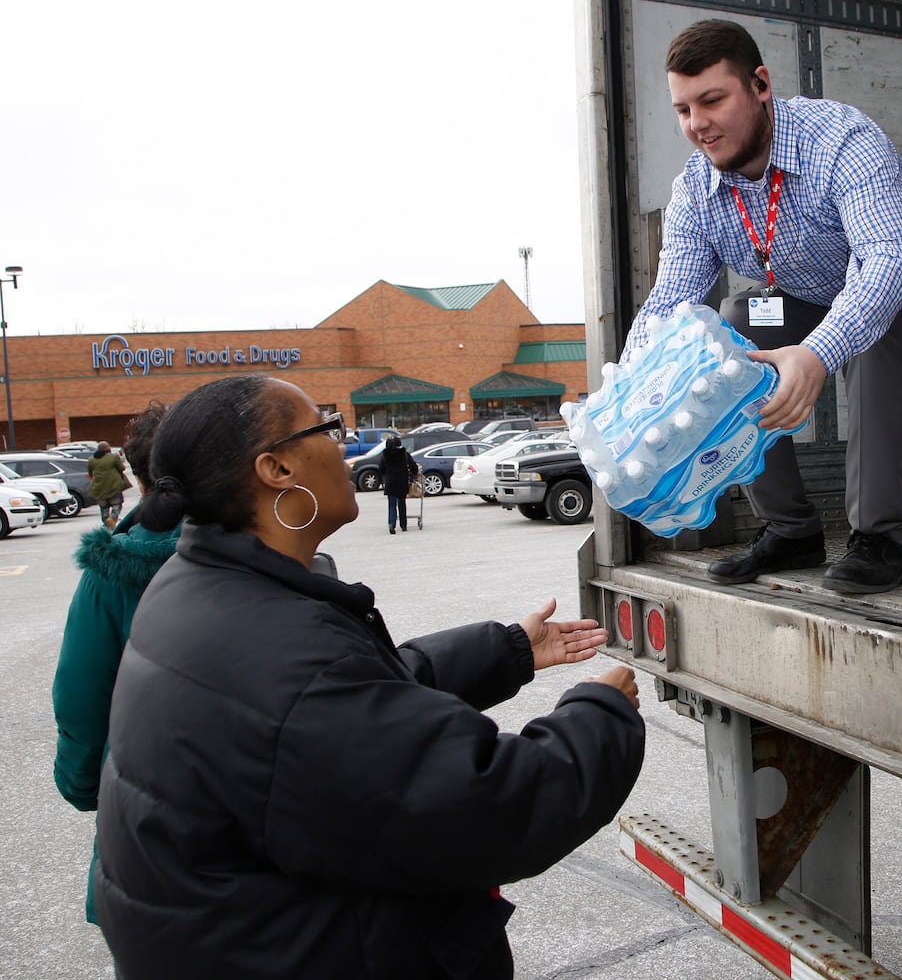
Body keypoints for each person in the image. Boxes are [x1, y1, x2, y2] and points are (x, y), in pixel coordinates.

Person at [92, 375, 644, 980]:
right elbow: (488, 809)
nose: (346, 445)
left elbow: (347, 709)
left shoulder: (199, 584)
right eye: (326, 429)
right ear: (276, 469)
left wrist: (507, 650)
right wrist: (598, 713)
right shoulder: (279, 650)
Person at [622, 20, 902, 594]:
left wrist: (816, 353)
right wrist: (629, 395)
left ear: (760, 84)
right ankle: (791, 530)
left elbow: (885, 263)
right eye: (683, 110)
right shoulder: (694, 193)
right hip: (815, 286)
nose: (698, 125)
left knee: (873, 335)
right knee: (724, 331)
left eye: (713, 100)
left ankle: (878, 541)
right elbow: (671, 303)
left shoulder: (841, 139)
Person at [52, 401, 179, 929]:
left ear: (134, 470)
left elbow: (82, 697)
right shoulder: (261, 550)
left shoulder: (115, 566)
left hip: (140, 809)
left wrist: (84, 785)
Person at [378, 433, 418, 533]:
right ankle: (403, 525)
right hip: (402, 481)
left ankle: (391, 524)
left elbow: (381, 469)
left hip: (390, 482)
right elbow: (413, 467)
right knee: (402, 503)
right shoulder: (404, 454)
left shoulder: (384, 455)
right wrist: (413, 474)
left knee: (392, 505)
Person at [86, 441, 132, 529]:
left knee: (104, 508)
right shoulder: (113, 457)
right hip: (113, 486)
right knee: (117, 504)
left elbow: (90, 473)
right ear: (107, 448)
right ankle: (113, 519)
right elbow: (122, 468)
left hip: (98, 487)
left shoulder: (91, 459)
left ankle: (107, 523)